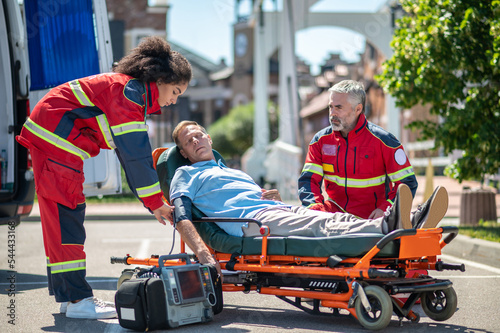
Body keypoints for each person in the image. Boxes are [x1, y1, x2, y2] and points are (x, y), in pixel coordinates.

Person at [16, 37, 191, 319]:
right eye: (175, 90)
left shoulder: (126, 89)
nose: (173, 100)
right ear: (159, 80)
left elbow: (128, 154)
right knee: (67, 218)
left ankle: (69, 298)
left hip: (53, 141)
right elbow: (136, 155)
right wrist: (156, 203)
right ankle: (78, 301)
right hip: (57, 143)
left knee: (62, 221)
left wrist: (152, 202)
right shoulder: (129, 94)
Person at [168, 121, 447, 267]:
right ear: (183, 153)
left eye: (198, 135)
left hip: (274, 211)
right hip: (250, 223)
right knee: (320, 224)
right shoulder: (186, 174)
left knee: (337, 218)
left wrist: (271, 197)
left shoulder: (234, 171)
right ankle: (389, 225)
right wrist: (203, 253)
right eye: (188, 141)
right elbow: (181, 216)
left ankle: (411, 219)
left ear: (209, 138)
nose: (195, 140)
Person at [298, 80, 419, 221]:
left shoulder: (385, 141)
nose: (332, 113)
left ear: (358, 109)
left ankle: (415, 218)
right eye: (331, 107)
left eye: (339, 107)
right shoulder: (320, 141)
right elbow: (308, 180)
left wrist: (386, 209)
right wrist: (315, 208)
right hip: (334, 217)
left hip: (374, 219)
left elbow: (407, 183)